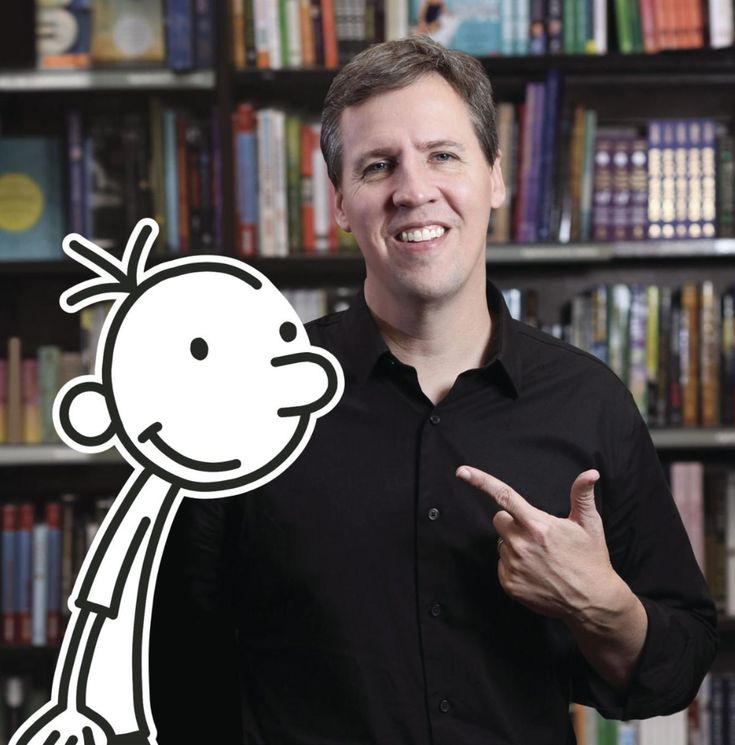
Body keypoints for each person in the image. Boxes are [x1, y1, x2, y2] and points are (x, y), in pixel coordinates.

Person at [151, 35, 717, 744]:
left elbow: (677, 667)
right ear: (339, 201)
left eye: (442, 155)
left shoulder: (588, 401)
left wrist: (600, 605)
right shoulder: (246, 400)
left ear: (495, 177)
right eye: (377, 165)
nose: (413, 190)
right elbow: (169, 667)